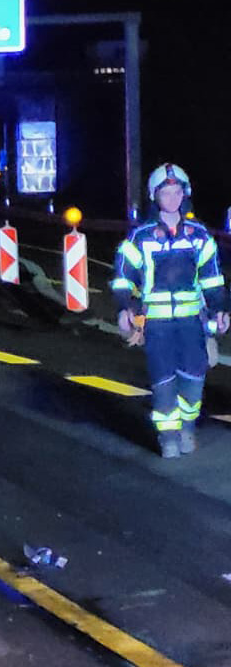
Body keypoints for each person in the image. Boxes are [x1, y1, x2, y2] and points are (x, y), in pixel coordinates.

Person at [112, 163, 230, 458]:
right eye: (166, 193)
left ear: (185, 194)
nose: (172, 198)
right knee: (163, 380)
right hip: (157, 324)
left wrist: (220, 309)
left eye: (177, 192)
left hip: (192, 322)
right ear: (155, 196)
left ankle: (187, 427)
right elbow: (124, 276)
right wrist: (125, 308)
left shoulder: (199, 235)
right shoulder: (141, 237)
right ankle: (168, 438)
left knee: (194, 378)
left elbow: (212, 278)